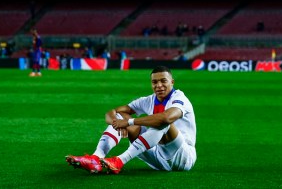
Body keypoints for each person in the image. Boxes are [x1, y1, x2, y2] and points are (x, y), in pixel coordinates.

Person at [65, 65, 197, 174]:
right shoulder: (148, 100)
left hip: (183, 157)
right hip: (158, 158)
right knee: (121, 116)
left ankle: (119, 161)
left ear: (172, 82)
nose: (159, 85)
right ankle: (96, 158)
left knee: (163, 123)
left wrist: (129, 122)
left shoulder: (180, 98)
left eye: (163, 81)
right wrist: (118, 123)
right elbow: (111, 113)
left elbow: (166, 118)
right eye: (155, 82)